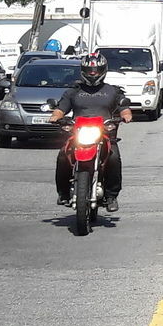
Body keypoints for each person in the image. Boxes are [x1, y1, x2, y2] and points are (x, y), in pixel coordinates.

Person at [49, 53, 132, 218]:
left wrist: (126, 114)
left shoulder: (112, 91)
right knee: (62, 157)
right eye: (89, 70)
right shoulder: (73, 91)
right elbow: (60, 109)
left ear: (103, 70)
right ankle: (63, 193)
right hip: (77, 134)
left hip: (105, 134)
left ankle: (111, 196)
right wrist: (55, 116)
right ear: (83, 70)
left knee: (114, 158)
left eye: (96, 70)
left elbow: (124, 107)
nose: (93, 73)